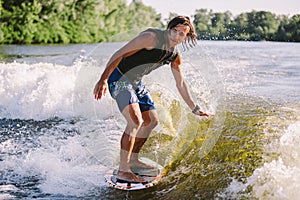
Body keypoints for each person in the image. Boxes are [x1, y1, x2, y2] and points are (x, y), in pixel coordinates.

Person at [94, 16, 212, 183]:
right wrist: (103, 79)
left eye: (181, 34)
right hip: (118, 77)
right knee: (135, 121)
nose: (176, 36)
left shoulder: (174, 56)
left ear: (187, 36)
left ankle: (133, 161)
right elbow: (118, 54)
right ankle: (123, 170)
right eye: (174, 31)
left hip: (136, 82)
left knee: (152, 121)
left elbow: (181, 83)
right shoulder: (151, 38)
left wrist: (195, 108)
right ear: (169, 28)